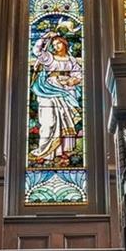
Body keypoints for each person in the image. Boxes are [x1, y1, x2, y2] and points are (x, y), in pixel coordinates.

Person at [30, 30, 83, 162]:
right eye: (54, 44)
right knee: (49, 121)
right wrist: (44, 37)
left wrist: (73, 81)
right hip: (48, 90)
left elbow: (79, 74)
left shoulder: (71, 60)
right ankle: (45, 152)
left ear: (64, 44)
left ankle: (62, 152)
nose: (56, 46)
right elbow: (37, 51)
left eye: (58, 43)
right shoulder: (49, 57)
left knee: (65, 119)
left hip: (66, 90)